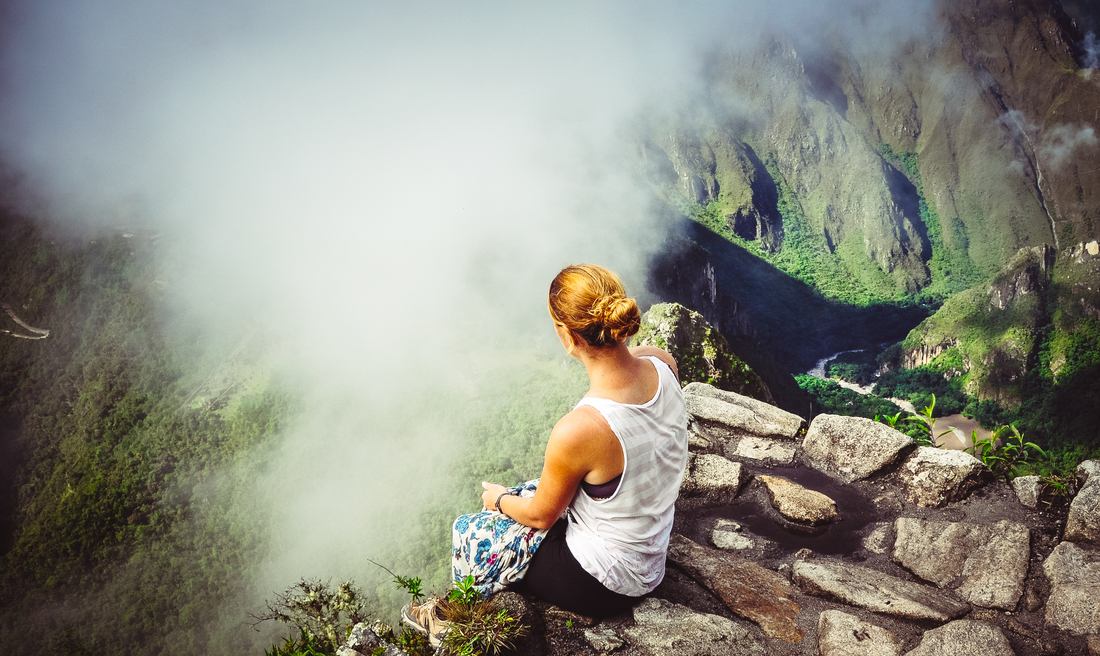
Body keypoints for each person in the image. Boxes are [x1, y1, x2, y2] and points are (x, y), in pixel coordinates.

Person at [404, 263, 689, 642]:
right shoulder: (663, 363)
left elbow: (540, 516)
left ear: (567, 337)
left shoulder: (582, 428)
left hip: (604, 581)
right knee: (534, 486)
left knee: (469, 529)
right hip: (649, 551)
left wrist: (499, 500)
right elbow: (637, 389)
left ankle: (452, 626)